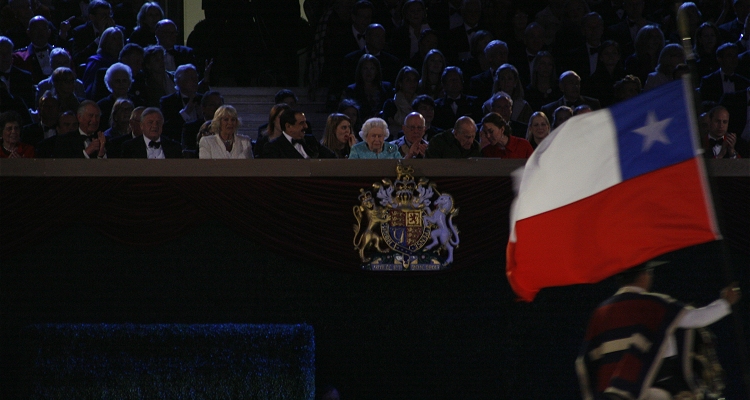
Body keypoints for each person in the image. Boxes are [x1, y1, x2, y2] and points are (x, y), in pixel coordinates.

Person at [576, 262, 741, 400]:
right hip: (648, 390)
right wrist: (725, 302)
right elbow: (697, 319)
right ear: (644, 276)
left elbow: (585, 360)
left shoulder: (600, 312)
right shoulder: (654, 304)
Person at [262, 108, 335, 159]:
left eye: (305, 122)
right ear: (288, 126)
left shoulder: (311, 140)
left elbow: (333, 158)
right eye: (301, 123)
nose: (306, 126)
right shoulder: (272, 147)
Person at [342, 54, 393, 123]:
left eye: (372, 68)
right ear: (360, 71)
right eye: (365, 68)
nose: (368, 72)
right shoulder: (352, 90)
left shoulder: (386, 88)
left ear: (376, 71)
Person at [160, 63, 203, 142]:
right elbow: (167, 128)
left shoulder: (204, 99)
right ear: (179, 82)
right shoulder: (168, 101)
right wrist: (185, 112)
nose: (195, 81)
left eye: (196, 78)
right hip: (177, 143)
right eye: (190, 78)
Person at [432, 66, 483, 130]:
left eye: (457, 79)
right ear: (444, 84)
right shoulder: (436, 106)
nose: (454, 83)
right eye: (451, 80)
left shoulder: (474, 102)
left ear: (462, 82)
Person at [81, 26, 124, 99]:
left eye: (119, 38)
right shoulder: (96, 62)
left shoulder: (122, 63)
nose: (118, 42)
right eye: (114, 39)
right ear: (106, 41)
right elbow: (89, 87)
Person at [379, 66, 420, 134]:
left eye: (414, 80)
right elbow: (388, 127)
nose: (412, 83)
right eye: (408, 80)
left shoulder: (420, 103)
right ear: (400, 83)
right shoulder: (391, 104)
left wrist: (399, 126)